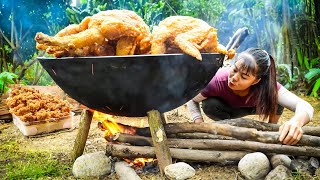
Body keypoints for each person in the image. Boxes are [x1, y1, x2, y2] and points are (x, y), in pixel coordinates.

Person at [187, 48, 314, 145]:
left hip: (255, 106)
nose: (234, 78)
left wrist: (296, 122)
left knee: (276, 98)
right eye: (235, 69)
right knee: (209, 104)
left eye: (244, 77)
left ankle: (271, 129)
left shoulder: (268, 87)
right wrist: (199, 123)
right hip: (228, 109)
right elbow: (191, 99)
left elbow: (306, 107)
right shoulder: (218, 80)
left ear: (256, 81)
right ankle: (229, 129)